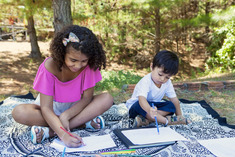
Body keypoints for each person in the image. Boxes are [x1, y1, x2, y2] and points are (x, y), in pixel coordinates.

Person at [12, 25, 113, 148]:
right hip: (49, 110)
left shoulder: (89, 66)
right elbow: (46, 108)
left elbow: (87, 98)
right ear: (62, 53)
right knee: (19, 112)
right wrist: (63, 135)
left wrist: (66, 115)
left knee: (107, 98)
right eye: (73, 60)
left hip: (76, 109)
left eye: (83, 61)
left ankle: (49, 131)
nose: (78, 66)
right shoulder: (49, 67)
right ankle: (80, 124)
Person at [125, 50, 190, 128]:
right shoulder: (146, 81)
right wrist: (149, 110)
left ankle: (146, 120)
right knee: (139, 104)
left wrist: (180, 116)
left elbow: (174, 100)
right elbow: (142, 99)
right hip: (138, 108)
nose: (162, 79)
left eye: (167, 77)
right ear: (152, 67)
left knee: (171, 105)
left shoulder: (167, 83)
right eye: (160, 74)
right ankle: (166, 121)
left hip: (154, 108)